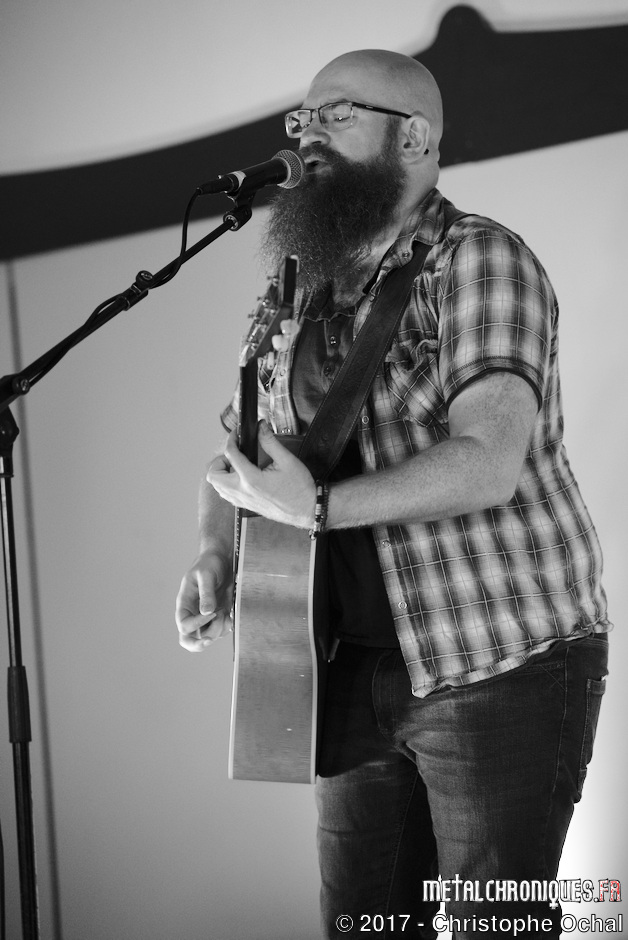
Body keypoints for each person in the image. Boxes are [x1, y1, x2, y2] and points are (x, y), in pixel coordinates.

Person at [175, 49, 610, 940]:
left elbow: (487, 460)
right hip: (348, 667)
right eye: (301, 118)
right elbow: (237, 455)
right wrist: (217, 552)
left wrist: (316, 508)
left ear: (412, 137)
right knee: (363, 925)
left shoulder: (479, 259)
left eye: (335, 113)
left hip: (499, 659)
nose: (306, 134)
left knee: (496, 927)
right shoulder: (297, 292)